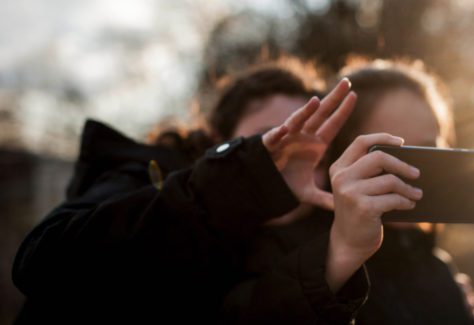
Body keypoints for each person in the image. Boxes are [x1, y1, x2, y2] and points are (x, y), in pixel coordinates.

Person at [11, 63, 372, 323]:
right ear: (220, 142)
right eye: (272, 138)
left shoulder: (321, 237)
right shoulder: (147, 177)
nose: (295, 159)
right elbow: (42, 265)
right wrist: (243, 181)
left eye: (316, 153)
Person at [227, 58, 474, 324]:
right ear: (340, 155)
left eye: (429, 150)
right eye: (391, 153)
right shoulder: (285, 256)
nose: (414, 171)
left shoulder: (435, 265)